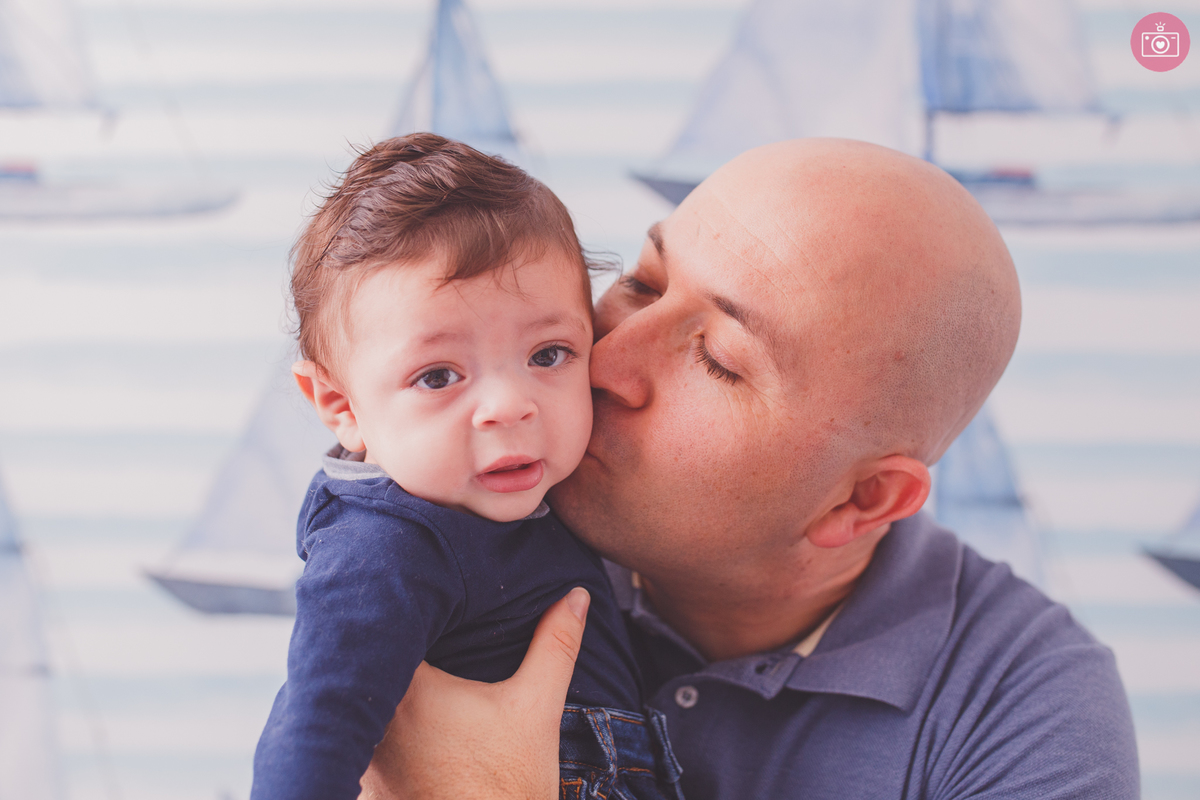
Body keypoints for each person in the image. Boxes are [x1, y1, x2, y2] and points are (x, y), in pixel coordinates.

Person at [358, 139, 1140, 800]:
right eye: (642, 283)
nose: (605, 361)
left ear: (861, 501)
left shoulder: (1025, 713)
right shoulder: (468, 514)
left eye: (720, 362)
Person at [251, 134, 684, 800]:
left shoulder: (543, 496)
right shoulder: (385, 547)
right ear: (342, 406)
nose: (510, 407)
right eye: (439, 375)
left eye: (548, 355)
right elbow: (318, 724)